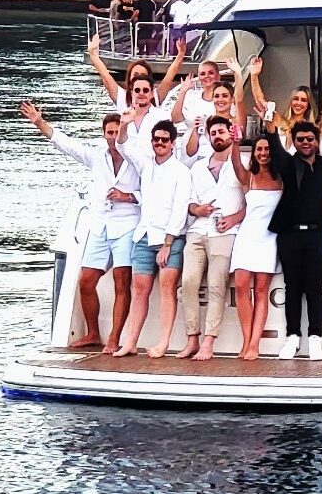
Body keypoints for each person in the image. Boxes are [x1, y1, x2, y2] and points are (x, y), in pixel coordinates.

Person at [18, 102, 138, 353]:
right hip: (99, 224)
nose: (114, 137)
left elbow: (152, 186)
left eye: (117, 132)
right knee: (86, 281)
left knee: (121, 281)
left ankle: (115, 338)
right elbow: (66, 144)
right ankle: (94, 333)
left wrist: (128, 196)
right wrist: (40, 123)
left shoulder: (135, 158)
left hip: (126, 224)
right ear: (104, 134)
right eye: (110, 133)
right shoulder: (96, 156)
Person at [112, 120, 192, 358]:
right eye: (156, 139)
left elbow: (180, 210)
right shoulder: (146, 166)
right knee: (139, 290)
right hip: (144, 235)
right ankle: (130, 342)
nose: (159, 143)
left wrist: (167, 244)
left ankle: (163, 343)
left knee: (167, 289)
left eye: (164, 140)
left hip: (171, 238)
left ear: (172, 143)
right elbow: (123, 146)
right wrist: (124, 124)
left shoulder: (182, 172)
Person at [177, 116, 247, 361]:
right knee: (188, 282)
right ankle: (192, 339)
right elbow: (187, 201)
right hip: (198, 229)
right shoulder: (196, 167)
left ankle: (209, 342)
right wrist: (197, 210)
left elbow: (255, 201)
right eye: (213, 133)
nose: (218, 136)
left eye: (221, 131)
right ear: (207, 137)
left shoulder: (243, 163)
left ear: (230, 134)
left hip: (226, 231)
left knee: (217, 285)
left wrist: (235, 218)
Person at [267, 121, 322, 359]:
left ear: (317, 141)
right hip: (290, 235)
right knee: (292, 288)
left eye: (310, 139)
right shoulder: (289, 165)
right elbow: (275, 148)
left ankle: (316, 338)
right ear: (294, 142)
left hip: (319, 236)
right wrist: (269, 124)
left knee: (315, 288)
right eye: (300, 139)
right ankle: (292, 337)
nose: (306, 143)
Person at [229, 133, 284, 360]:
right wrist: (234, 142)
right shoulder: (248, 177)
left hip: (270, 239)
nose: (262, 153)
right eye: (258, 149)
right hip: (247, 236)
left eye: (266, 149)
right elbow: (234, 162)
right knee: (242, 286)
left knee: (261, 291)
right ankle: (245, 340)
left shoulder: (282, 178)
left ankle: (254, 344)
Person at [88, 33, 185, 117]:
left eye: (143, 75)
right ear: (129, 77)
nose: (138, 77)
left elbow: (169, 76)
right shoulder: (121, 96)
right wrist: (92, 53)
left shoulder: (154, 96)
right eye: (135, 74)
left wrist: (180, 55)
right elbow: (105, 74)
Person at [248, 56, 315, 146]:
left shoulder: (313, 127)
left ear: (309, 104)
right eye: (295, 99)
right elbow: (260, 101)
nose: (298, 103)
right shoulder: (279, 120)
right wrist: (254, 75)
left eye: (303, 100)